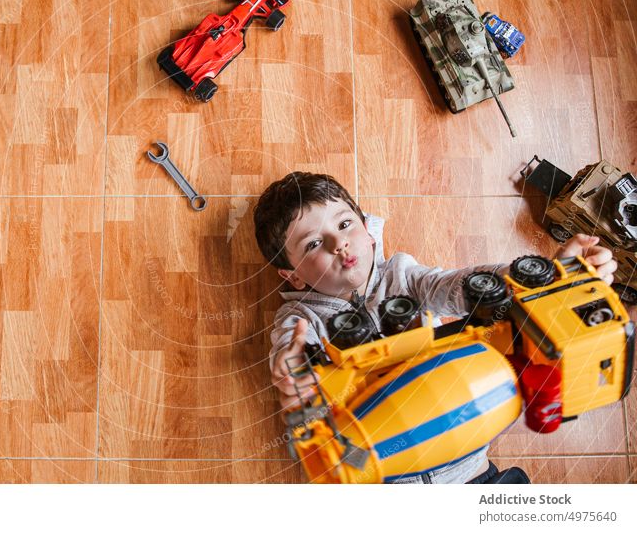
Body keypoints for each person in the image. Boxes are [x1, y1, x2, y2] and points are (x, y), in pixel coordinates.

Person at [253, 171, 618, 483]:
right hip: (384, 476)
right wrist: (296, 372)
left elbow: (465, 286)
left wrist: (543, 278)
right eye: (314, 243)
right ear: (293, 276)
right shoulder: (300, 320)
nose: (338, 243)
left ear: (368, 231)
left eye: (345, 223)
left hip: (472, 470)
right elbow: (291, 354)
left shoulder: (401, 276)